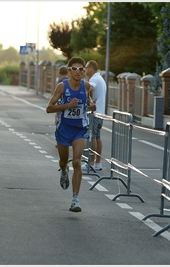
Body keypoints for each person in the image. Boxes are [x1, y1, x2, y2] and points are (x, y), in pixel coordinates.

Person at [46, 57, 96, 212]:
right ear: (69, 71)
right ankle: (63, 171)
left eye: (81, 69)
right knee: (63, 161)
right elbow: (49, 108)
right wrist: (68, 105)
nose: (78, 72)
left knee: (76, 162)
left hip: (80, 129)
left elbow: (88, 102)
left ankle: (75, 199)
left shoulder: (87, 86)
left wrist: (91, 105)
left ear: (84, 71)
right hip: (64, 129)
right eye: (74, 69)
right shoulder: (62, 87)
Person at [82, 60, 107, 171]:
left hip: (94, 113)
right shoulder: (100, 78)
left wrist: (90, 100)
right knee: (97, 137)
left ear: (90, 68)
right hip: (100, 113)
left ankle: (91, 163)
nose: (85, 70)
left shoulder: (94, 79)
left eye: (86, 67)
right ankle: (97, 163)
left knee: (92, 137)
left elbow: (90, 87)